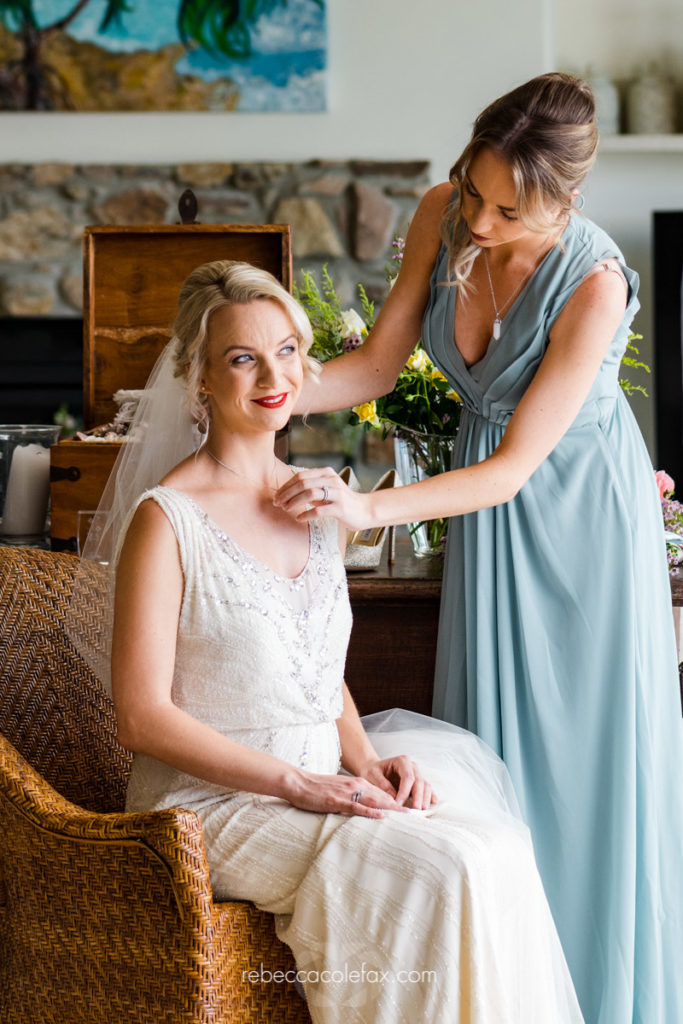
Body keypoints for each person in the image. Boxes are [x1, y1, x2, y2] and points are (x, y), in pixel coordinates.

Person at [274, 73, 683, 1024]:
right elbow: (378, 365)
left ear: (566, 202)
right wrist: (269, 389)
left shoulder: (594, 280)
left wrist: (363, 510)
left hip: (577, 520)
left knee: (583, 773)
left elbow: (510, 470)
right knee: (492, 757)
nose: (482, 223)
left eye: (509, 210)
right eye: (473, 191)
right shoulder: (440, 213)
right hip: (491, 524)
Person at [84, 259, 585, 1024]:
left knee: (495, 850)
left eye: (286, 350)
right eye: (242, 358)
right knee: (438, 869)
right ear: (197, 379)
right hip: (209, 805)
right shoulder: (167, 519)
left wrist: (362, 760)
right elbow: (140, 718)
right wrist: (297, 785)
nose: (272, 375)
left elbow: (311, 667)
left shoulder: (319, 499)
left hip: (323, 780)